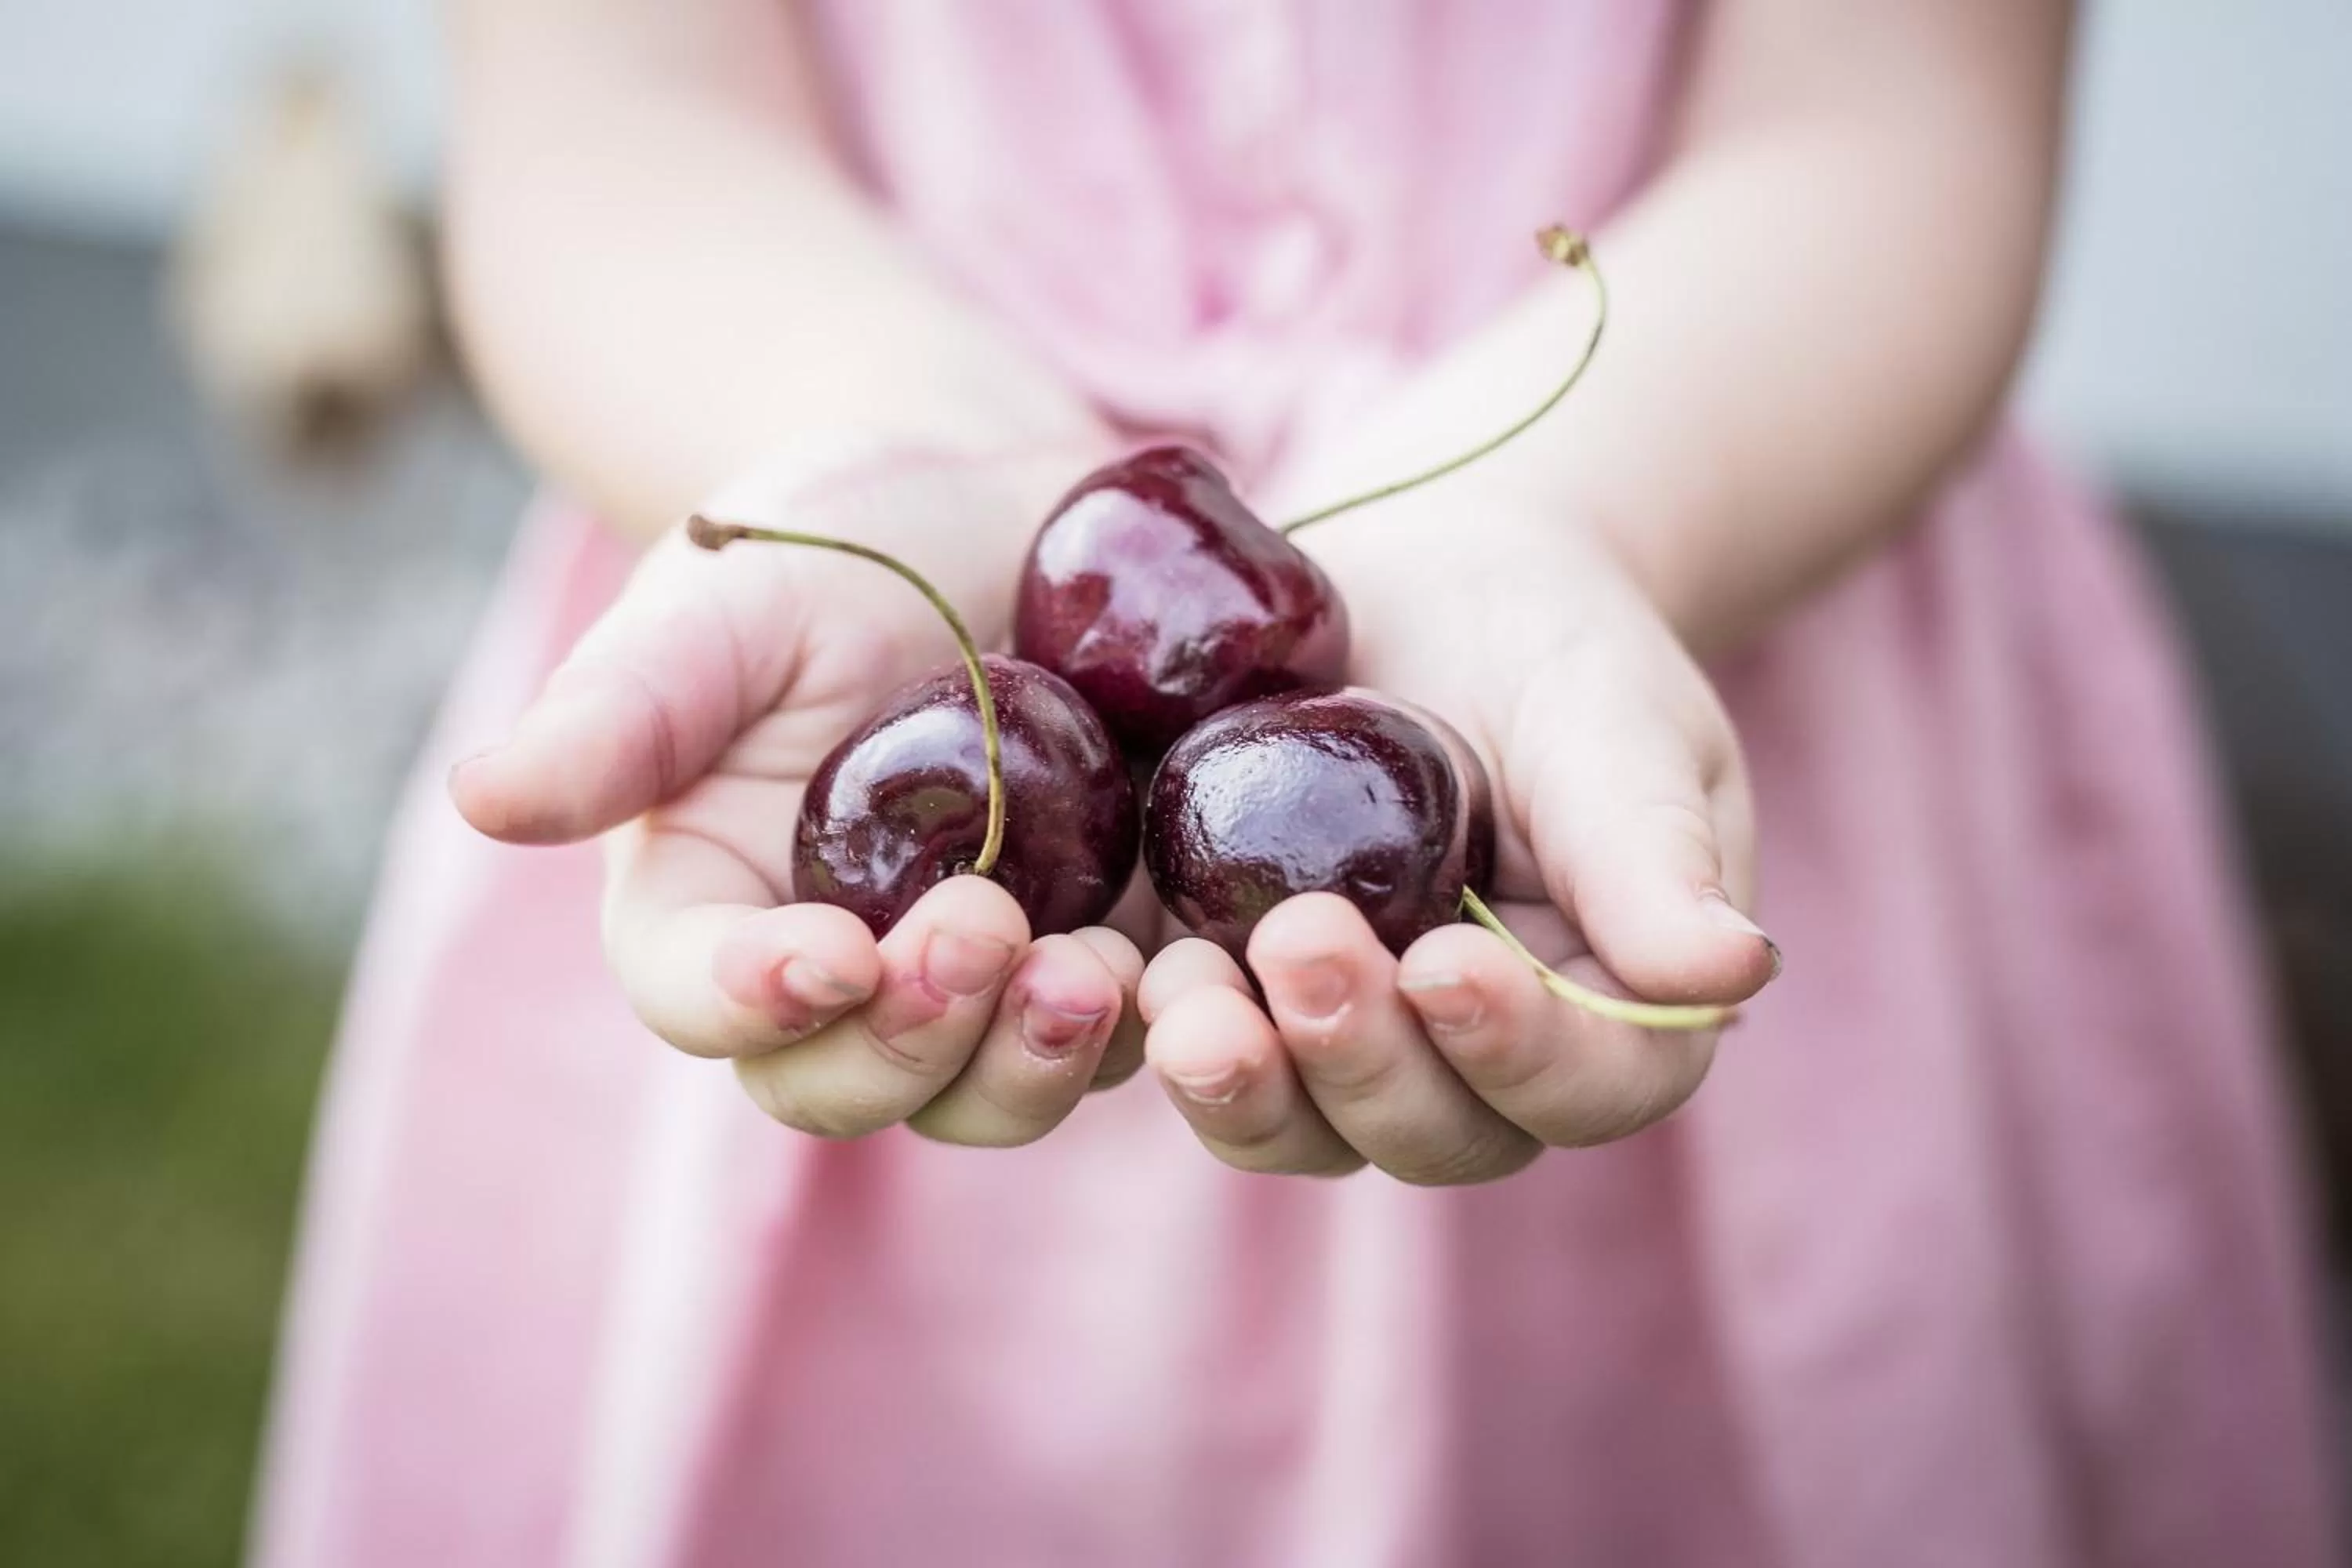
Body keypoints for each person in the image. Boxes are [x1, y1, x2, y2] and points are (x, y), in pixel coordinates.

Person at [253, 2, 2336, 1563]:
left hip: (1696, 538)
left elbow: (1896, 129)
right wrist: (881, 419)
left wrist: (1575, 504)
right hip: (844, 520)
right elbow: (610, 134)